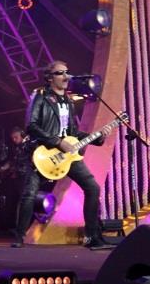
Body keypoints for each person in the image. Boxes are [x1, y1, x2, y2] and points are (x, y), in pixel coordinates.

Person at [13, 60, 114, 250]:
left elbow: (72, 133)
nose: (66, 76)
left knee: (92, 188)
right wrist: (58, 142)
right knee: (29, 194)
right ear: (50, 78)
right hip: (42, 153)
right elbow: (31, 126)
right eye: (60, 73)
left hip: (66, 155)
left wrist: (97, 137)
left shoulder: (68, 101)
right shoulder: (40, 96)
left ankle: (92, 237)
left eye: (67, 72)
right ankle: (19, 236)